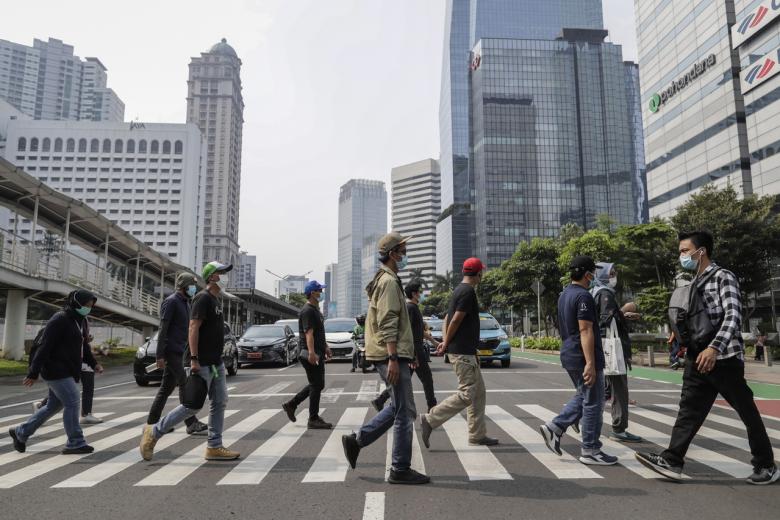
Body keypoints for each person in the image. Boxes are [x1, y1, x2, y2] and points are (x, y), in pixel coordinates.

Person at [636, 231, 778, 485]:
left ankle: (766, 465)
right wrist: (679, 333)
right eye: (680, 251)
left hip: (724, 359)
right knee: (688, 410)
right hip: (697, 356)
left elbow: (733, 316)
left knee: (746, 411)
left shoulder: (724, 277)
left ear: (701, 252)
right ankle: (672, 460)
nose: (681, 256)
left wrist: (714, 348)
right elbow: (696, 316)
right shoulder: (694, 281)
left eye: (685, 251)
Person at [341, 232, 430, 485]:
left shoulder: (386, 279)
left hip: (393, 353)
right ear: (393, 254)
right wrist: (393, 356)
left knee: (398, 406)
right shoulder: (389, 282)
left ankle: (358, 440)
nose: (405, 255)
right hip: (390, 353)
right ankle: (400, 468)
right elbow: (388, 320)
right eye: (402, 251)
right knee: (405, 412)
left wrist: (406, 353)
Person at [140, 261, 239, 462]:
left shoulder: (215, 299)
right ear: (211, 277)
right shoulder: (203, 298)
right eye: (221, 272)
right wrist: (193, 358)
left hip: (216, 363)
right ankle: (154, 432)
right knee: (192, 406)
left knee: (219, 402)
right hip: (201, 362)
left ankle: (214, 446)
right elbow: (193, 328)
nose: (225, 276)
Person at [538, 256, 618, 466]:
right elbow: (585, 329)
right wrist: (590, 363)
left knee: (585, 395)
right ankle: (590, 449)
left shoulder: (564, 294)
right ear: (588, 274)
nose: (595, 276)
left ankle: (555, 428)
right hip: (582, 356)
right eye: (593, 272)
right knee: (594, 403)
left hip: (569, 353)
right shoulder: (583, 296)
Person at [10, 290, 104, 455]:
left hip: (67, 369)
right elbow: (45, 346)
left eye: (90, 306)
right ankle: (75, 442)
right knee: (73, 401)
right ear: (76, 303)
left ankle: (21, 432)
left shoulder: (80, 320)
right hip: (54, 369)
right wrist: (33, 372)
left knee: (53, 406)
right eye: (86, 305)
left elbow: (83, 346)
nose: (88, 308)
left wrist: (94, 363)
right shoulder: (60, 319)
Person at [420, 257, 498, 449]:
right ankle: (430, 419)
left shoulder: (459, 290)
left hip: (466, 352)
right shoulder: (468, 292)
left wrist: (445, 342)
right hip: (462, 352)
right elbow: (455, 320)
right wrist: (446, 343)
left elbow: (448, 317)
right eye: (482, 272)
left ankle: (477, 435)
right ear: (479, 273)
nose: (482, 275)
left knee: (478, 393)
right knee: (467, 393)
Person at [144, 272, 208, 435]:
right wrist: (159, 356)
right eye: (192, 285)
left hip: (180, 350)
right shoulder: (171, 301)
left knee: (165, 389)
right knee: (185, 384)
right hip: (172, 351)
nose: (194, 289)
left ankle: (152, 423)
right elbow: (163, 328)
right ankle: (191, 423)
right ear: (184, 286)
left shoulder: (186, 303)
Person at [591, 262, 642, 443]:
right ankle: (619, 429)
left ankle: (574, 416)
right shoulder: (605, 293)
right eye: (611, 273)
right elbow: (606, 319)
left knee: (600, 389)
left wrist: (621, 315)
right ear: (603, 275)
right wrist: (624, 311)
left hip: (602, 347)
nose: (614, 276)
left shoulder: (595, 291)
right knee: (619, 389)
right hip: (612, 348)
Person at [371, 281, 439, 413]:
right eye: (419, 291)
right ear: (414, 294)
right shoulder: (411, 308)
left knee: (402, 379)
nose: (421, 294)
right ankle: (432, 408)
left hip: (414, 349)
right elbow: (409, 332)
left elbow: (419, 331)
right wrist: (413, 355)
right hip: (415, 350)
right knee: (427, 379)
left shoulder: (413, 307)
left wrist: (433, 341)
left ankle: (380, 400)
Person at [282, 280, 333, 429]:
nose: (321, 293)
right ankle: (313, 418)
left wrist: (326, 347)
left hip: (318, 351)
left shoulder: (315, 310)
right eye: (319, 290)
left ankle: (292, 404)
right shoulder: (307, 311)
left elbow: (318, 333)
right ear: (312, 293)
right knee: (316, 385)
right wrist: (311, 352)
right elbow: (308, 333)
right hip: (310, 353)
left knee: (317, 384)